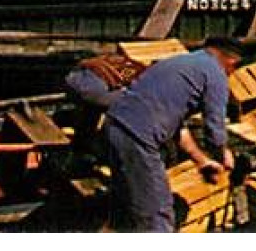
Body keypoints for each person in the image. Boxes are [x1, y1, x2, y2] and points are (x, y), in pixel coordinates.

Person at [102, 37, 242, 232]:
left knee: (124, 211)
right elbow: (215, 128)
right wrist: (223, 154)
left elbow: (177, 128)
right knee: (157, 215)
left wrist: (201, 160)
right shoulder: (215, 74)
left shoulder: (177, 62)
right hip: (138, 137)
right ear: (232, 63)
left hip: (115, 126)